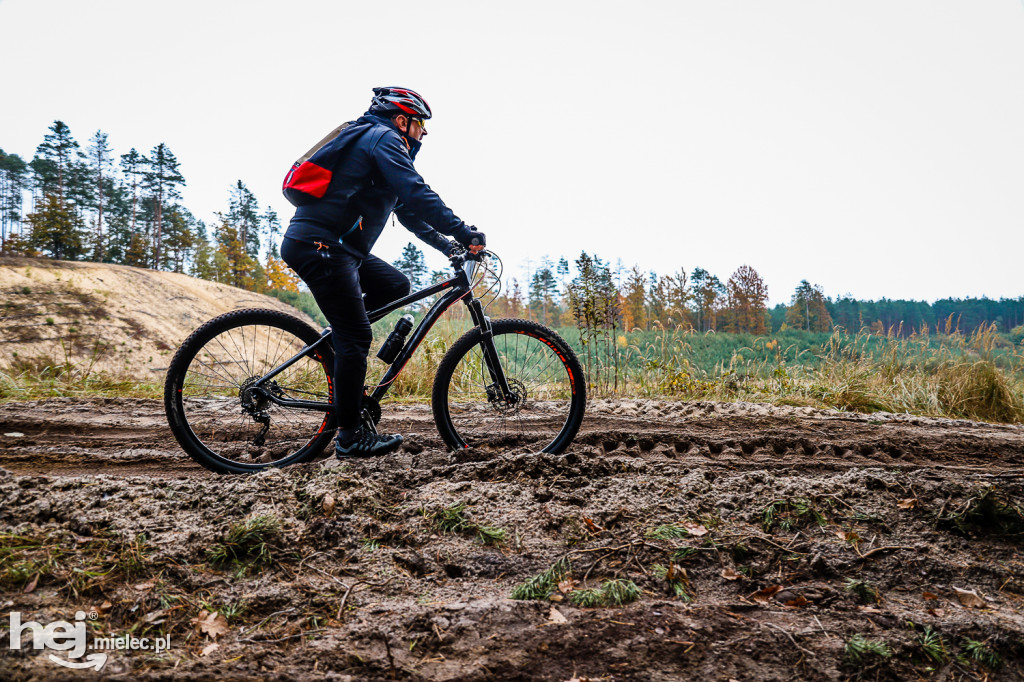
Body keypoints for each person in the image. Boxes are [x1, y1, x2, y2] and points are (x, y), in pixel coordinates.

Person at [281, 86, 485, 458]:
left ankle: (334, 345)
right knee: (357, 337)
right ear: (403, 120)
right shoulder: (383, 138)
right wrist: (464, 231)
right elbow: (417, 192)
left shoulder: (376, 142)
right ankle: (349, 437)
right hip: (322, 246)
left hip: (337, 247)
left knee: (395, 285)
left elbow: (408, 211)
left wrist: (449, 246)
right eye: (421, 125)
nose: (423, 134)